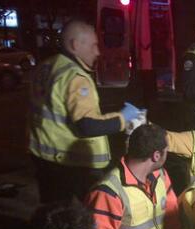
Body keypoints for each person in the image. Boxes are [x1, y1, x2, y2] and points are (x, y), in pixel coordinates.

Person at [29, 19, 143, 202]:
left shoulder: (46, 67)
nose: (97, 52)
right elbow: (88, 126)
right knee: (91, 214)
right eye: (93, 45)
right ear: (75, 45)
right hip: (74, 165)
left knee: (54, 213)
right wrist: (123, 117)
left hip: (44, 159)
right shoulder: (75, 77)